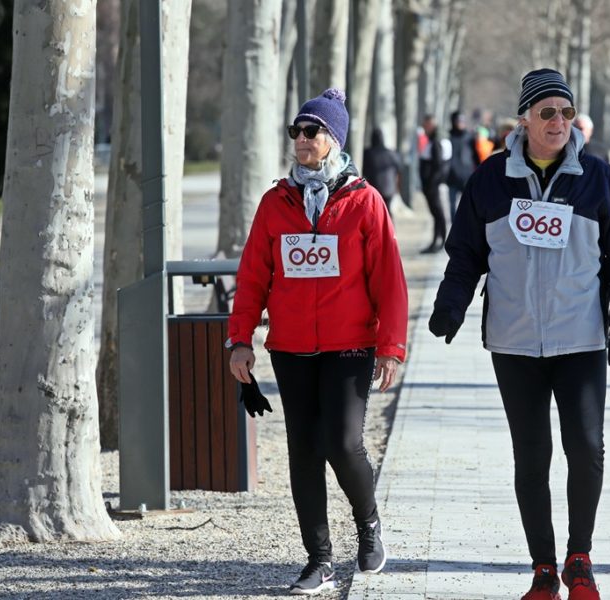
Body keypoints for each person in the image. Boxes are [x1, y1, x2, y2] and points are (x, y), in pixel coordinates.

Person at [428, 68, 610, 600]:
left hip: (582, 339)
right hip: (515, 342)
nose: (558, 122)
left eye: (566, 112)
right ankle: (543, 569)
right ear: (523, 119)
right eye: (547, 112)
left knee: (586, 447)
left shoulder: (598, 178)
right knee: (531, 455)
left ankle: (579, 559)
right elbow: (465, 254)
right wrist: (450, 307)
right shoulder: (490, 179)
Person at [226, 88, 408, 596]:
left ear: (335, 140)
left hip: (350, 345)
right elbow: (253, 276)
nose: (302, 139)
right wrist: (240, 339)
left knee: (343, 442)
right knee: (304, 450)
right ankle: (319, 559)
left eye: (313, 131)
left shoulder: (363, 201)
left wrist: (391, 347)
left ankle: (368, 523)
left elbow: (389, 280)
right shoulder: (276, 202)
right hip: (292, 348)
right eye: (297, 131)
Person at [418, 114, 450, 253]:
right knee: (436, 214)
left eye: (426, 125)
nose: (424, 127)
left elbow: (437, 165)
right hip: (431, 185)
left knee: (438, 213)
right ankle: (437, 241)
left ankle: (440, 241)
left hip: (432, 186)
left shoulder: (436, 142)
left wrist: (431, 184)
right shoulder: (433, 140)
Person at [446, 110, 480, 223]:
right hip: (452, 176)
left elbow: (476, 156)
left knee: (467, 206)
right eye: (458, 120)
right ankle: (454, 228)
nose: (461, 123)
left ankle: (465, 227)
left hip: (467, 177)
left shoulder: (470, 138)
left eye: (463, 120)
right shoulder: (448, 137)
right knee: (452, 206)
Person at [362, 127, 402, 219]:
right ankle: (390, 227)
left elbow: (365, 171)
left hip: (376, 188)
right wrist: (397, 187)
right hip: (390, 188)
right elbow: (398, 171)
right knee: (387, 211)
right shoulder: (392, 153)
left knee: (376, 212)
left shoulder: (368, 153)